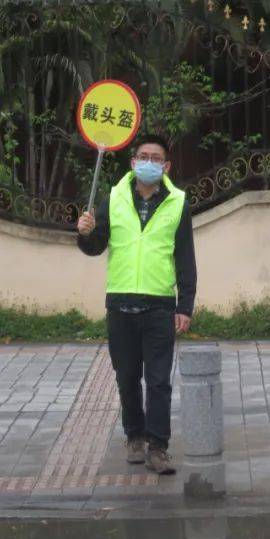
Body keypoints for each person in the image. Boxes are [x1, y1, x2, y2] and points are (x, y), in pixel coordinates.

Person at [76, 135, 197, 475]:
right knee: (127, 378)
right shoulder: (113, 198)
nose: (149, 162)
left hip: (160, 305)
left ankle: (158, 447)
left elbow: (185, 257)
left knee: (159, 382)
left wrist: (184, 305)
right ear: (132, 162)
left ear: (166, 166)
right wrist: (85, 233)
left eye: (156, 158)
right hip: (120, 304)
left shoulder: (178, 202)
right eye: (143, 156)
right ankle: (134, 436)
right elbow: (95, 246)